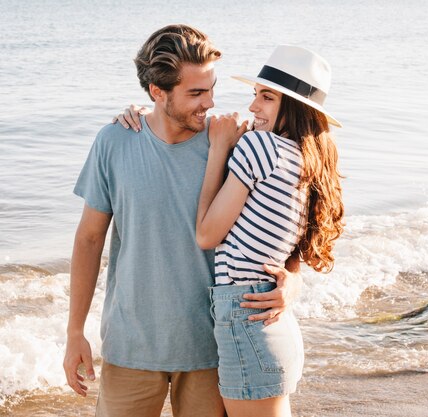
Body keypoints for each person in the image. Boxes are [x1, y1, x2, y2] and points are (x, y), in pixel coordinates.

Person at [63, 24, 301, 417]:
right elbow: (89, 240)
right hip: (131, 347)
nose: (209, 103)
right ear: (158, 92)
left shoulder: (234, 144)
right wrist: (75, 333)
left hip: (213, 349)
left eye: (211, 88)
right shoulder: (115, 141)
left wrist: (293, 278)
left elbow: (288, 222)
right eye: (195, 93)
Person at [118, 45, 345, 417]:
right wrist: (147, 113)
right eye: (255, 94)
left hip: (246, 318)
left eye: (267, 97)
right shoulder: (306, 158)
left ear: (294, 107)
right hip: (272, 322)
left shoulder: (258, 146)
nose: (254, 106)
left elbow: (207, 235)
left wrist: (219, 150)